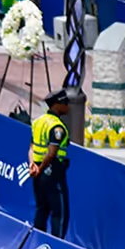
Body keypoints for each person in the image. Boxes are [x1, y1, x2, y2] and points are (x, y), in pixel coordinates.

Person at [29, 89, 72, 237]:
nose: (68, 106)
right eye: (65, 103)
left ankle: (38, 246)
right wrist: (41, 168)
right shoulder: (57, 127)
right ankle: (55, 248)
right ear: (56, 105)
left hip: (38, 173)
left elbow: (32, 147)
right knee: (60, 214)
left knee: (42, 209)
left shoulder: (38, 122)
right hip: (52, 173)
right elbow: (52, 153)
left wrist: (33, 165)